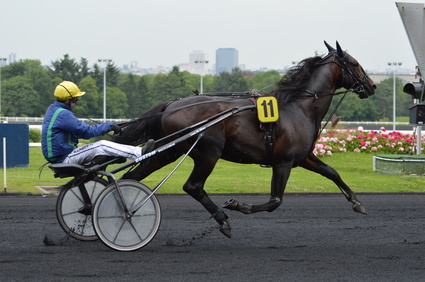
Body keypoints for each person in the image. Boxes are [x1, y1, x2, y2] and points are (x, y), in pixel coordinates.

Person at [41, 81, 154, 164]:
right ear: (67, 100)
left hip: (60, 157)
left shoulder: (53, 110)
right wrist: (109, 126)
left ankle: (118, 156)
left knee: (97, 147)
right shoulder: (63, 114)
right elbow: (87, 132)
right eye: (75, 99)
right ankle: (139, 153)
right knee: (101, 145)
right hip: (64, 158)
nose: (76, 102)